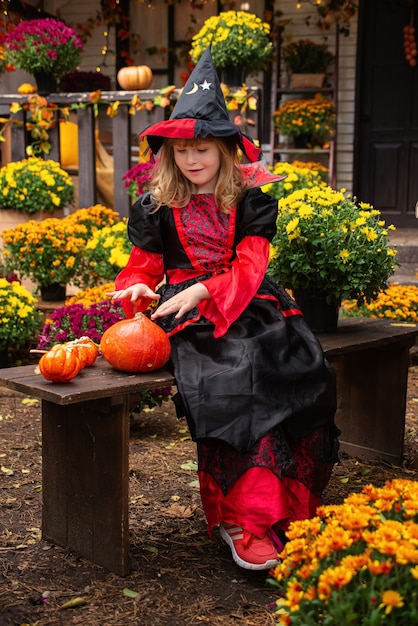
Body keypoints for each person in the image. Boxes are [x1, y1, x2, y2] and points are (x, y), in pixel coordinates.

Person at [110, 47, 339, 571]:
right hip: (188, 314)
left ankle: (286, 512)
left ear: (226, 151)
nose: (193, 160)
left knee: (295, 369)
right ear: (169, 154)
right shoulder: (156, 206)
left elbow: (252, 264)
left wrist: (208, 291)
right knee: (231, 381)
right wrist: (139, 291)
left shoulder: (250, 198)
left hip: (249, 301)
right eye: (183, 150)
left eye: (204, 149)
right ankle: (240, 519)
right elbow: (141, 270)